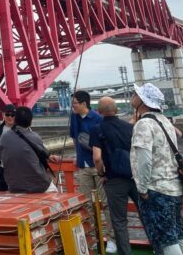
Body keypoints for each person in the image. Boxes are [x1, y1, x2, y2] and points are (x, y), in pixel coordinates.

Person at [130, 83, 183, 255]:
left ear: (143, 101)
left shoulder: (143, 124)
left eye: (136, 94)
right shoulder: (165, 121)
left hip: (156, 189)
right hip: (174, 187)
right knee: (179, 233)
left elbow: (144, 160)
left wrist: (142, 189)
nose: (133, 96)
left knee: (166, 239)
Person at [91, 97, 141, 255]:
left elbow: (97, 157)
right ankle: (158, 247)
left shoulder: (97, 129)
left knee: (119, 221)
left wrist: (101, 173)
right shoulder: (129, 127)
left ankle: (126, 252)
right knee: (145, 214)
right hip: (135, 178)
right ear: (117, 110)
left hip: (114, 180)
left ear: (99, 112)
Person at [70, 90, 114, 252]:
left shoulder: (98, 119)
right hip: (82, 166)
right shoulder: (74, 118)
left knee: (106, 203)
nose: (72, 106)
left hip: (99, 166)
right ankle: (94, 238)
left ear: (83, 104)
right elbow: (75, 138)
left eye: (74, 103)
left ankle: (111, 239)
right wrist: (77, 156)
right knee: (86, 204)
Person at [0, 106, 60, 194]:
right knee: (55, 192)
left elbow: (1, 156)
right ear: (30, 122)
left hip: (13, 186)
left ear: (15, 119)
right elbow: (40, 151)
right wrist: (49, 156)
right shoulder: (35, 137)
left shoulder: (3, 137)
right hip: (38, 186)